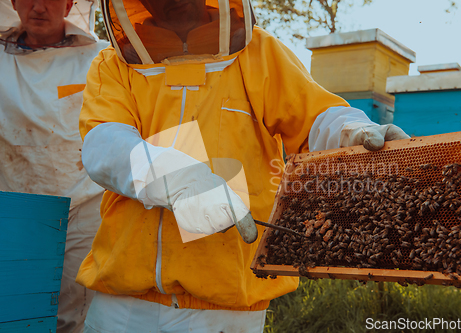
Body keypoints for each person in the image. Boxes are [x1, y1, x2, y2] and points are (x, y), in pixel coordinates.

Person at [77, 0, 410, 332]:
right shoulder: (113, 64)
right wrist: (179, 180)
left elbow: (315, 118)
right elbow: (104, 144)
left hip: (227, 311)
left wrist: (349, 131)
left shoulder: (259, 52)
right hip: (123, 308)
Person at [0, 0, 108, 332]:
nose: (39, 7)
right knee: (18, 311)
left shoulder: (100, 56)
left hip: (86, 202)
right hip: (18, 199)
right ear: (14, 3)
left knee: (75, 310)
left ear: (68, 4)